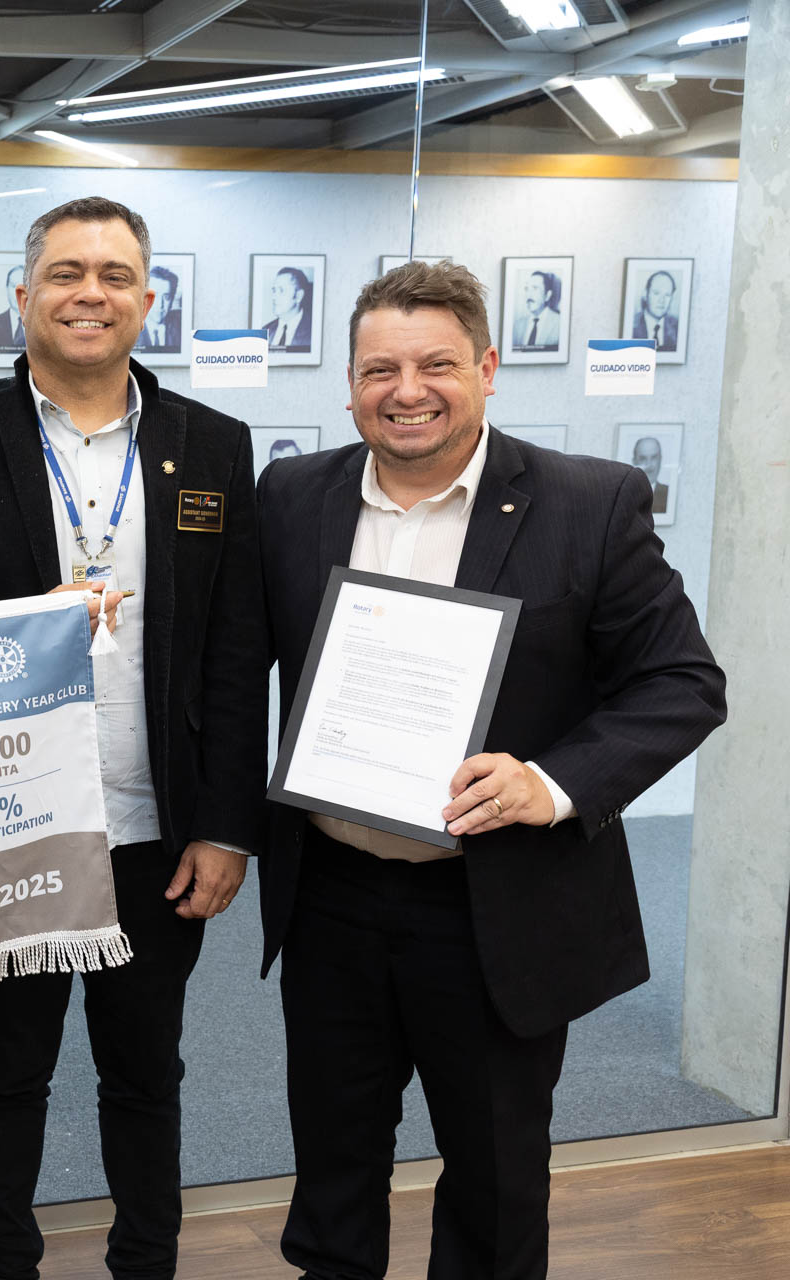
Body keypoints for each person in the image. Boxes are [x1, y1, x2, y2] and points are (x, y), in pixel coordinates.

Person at [256, 261, 725, 1280]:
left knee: (497, 1180)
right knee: (331, 1176)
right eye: (381, 366)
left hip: (496, 901)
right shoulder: (293, 495)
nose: (407, 388)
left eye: (436, 363)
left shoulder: (588, 503)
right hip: (333, 896)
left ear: (488, 369)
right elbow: (227, 653)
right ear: (348, 382)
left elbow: (684, 682)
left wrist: (548, 782)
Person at [0, 196, 267, 1279]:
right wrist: (20, 629)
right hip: (11, 823)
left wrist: (228, 824)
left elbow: (237, 656)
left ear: (149, 300)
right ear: (22, 299)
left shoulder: (212, 446)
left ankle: (146, 1260)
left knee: (147, 1070)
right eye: (63, 272)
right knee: (8, 1066)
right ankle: (3, 1259)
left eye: (112, 273)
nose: (87, 291)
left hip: (159, 828)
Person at [135, 263, 183, 353]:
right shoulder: (129, 330)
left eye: (166, 297)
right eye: (154, 296)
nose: (160, 305)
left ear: (172, 299)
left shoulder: (180, 327)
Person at [264, 266, 313, 352]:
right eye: (274, 290)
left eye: (281, 290)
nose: (274, 297)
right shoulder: (265, 330)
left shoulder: (312, 333)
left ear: (298, 296)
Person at [511, 269, 562, 351]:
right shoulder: (518, 325)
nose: (529, 294)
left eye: (535, 288)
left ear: (548, 295)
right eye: (526, 289)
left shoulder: (559, 323)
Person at [631, 270, 679, 352]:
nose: (662, 300)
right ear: (645, 294)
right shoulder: (632, 325)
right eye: (656, 293)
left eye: (667, 295)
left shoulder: (677, 328)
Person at [0, 263, 27, 353]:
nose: (18, 294)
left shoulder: (42, 324)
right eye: (13, 286)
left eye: (24, 287)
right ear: (6, 288)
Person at [631, 434, 671, 514]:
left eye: (654, 458)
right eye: (643, 458)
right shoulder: (625, 495)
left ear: (660, 459)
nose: (649, 464)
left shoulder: (669, 493)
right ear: (634, 462)